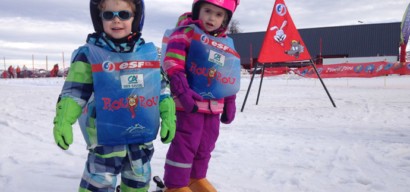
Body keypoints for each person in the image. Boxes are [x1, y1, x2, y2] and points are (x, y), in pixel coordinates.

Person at [52, 0, 176, 191]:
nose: (116, 20)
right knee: (97, 185)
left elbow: (161, 89)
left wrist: (168, 115)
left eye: (124, 14)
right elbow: (75, 91)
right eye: (108, 15)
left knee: (138, 183)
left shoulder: (148, 54)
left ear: (136, 18)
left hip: (140, 139)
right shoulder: (90, 54)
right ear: (99, 18)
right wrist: (63, 120)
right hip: (105, 142)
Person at [161, 0, 241, 191]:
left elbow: (227, 75)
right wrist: (182, 90)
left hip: (213, 107)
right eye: (207, 11)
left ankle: (196, 178)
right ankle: (176, 184)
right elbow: (173, 62)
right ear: (198, 10)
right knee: (186, 144)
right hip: (190, 104)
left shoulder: (225, 43)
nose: (212, 18)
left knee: (206, 145)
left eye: (219, 14)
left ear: (225, 19)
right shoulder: (187, 33)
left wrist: (229, 100)